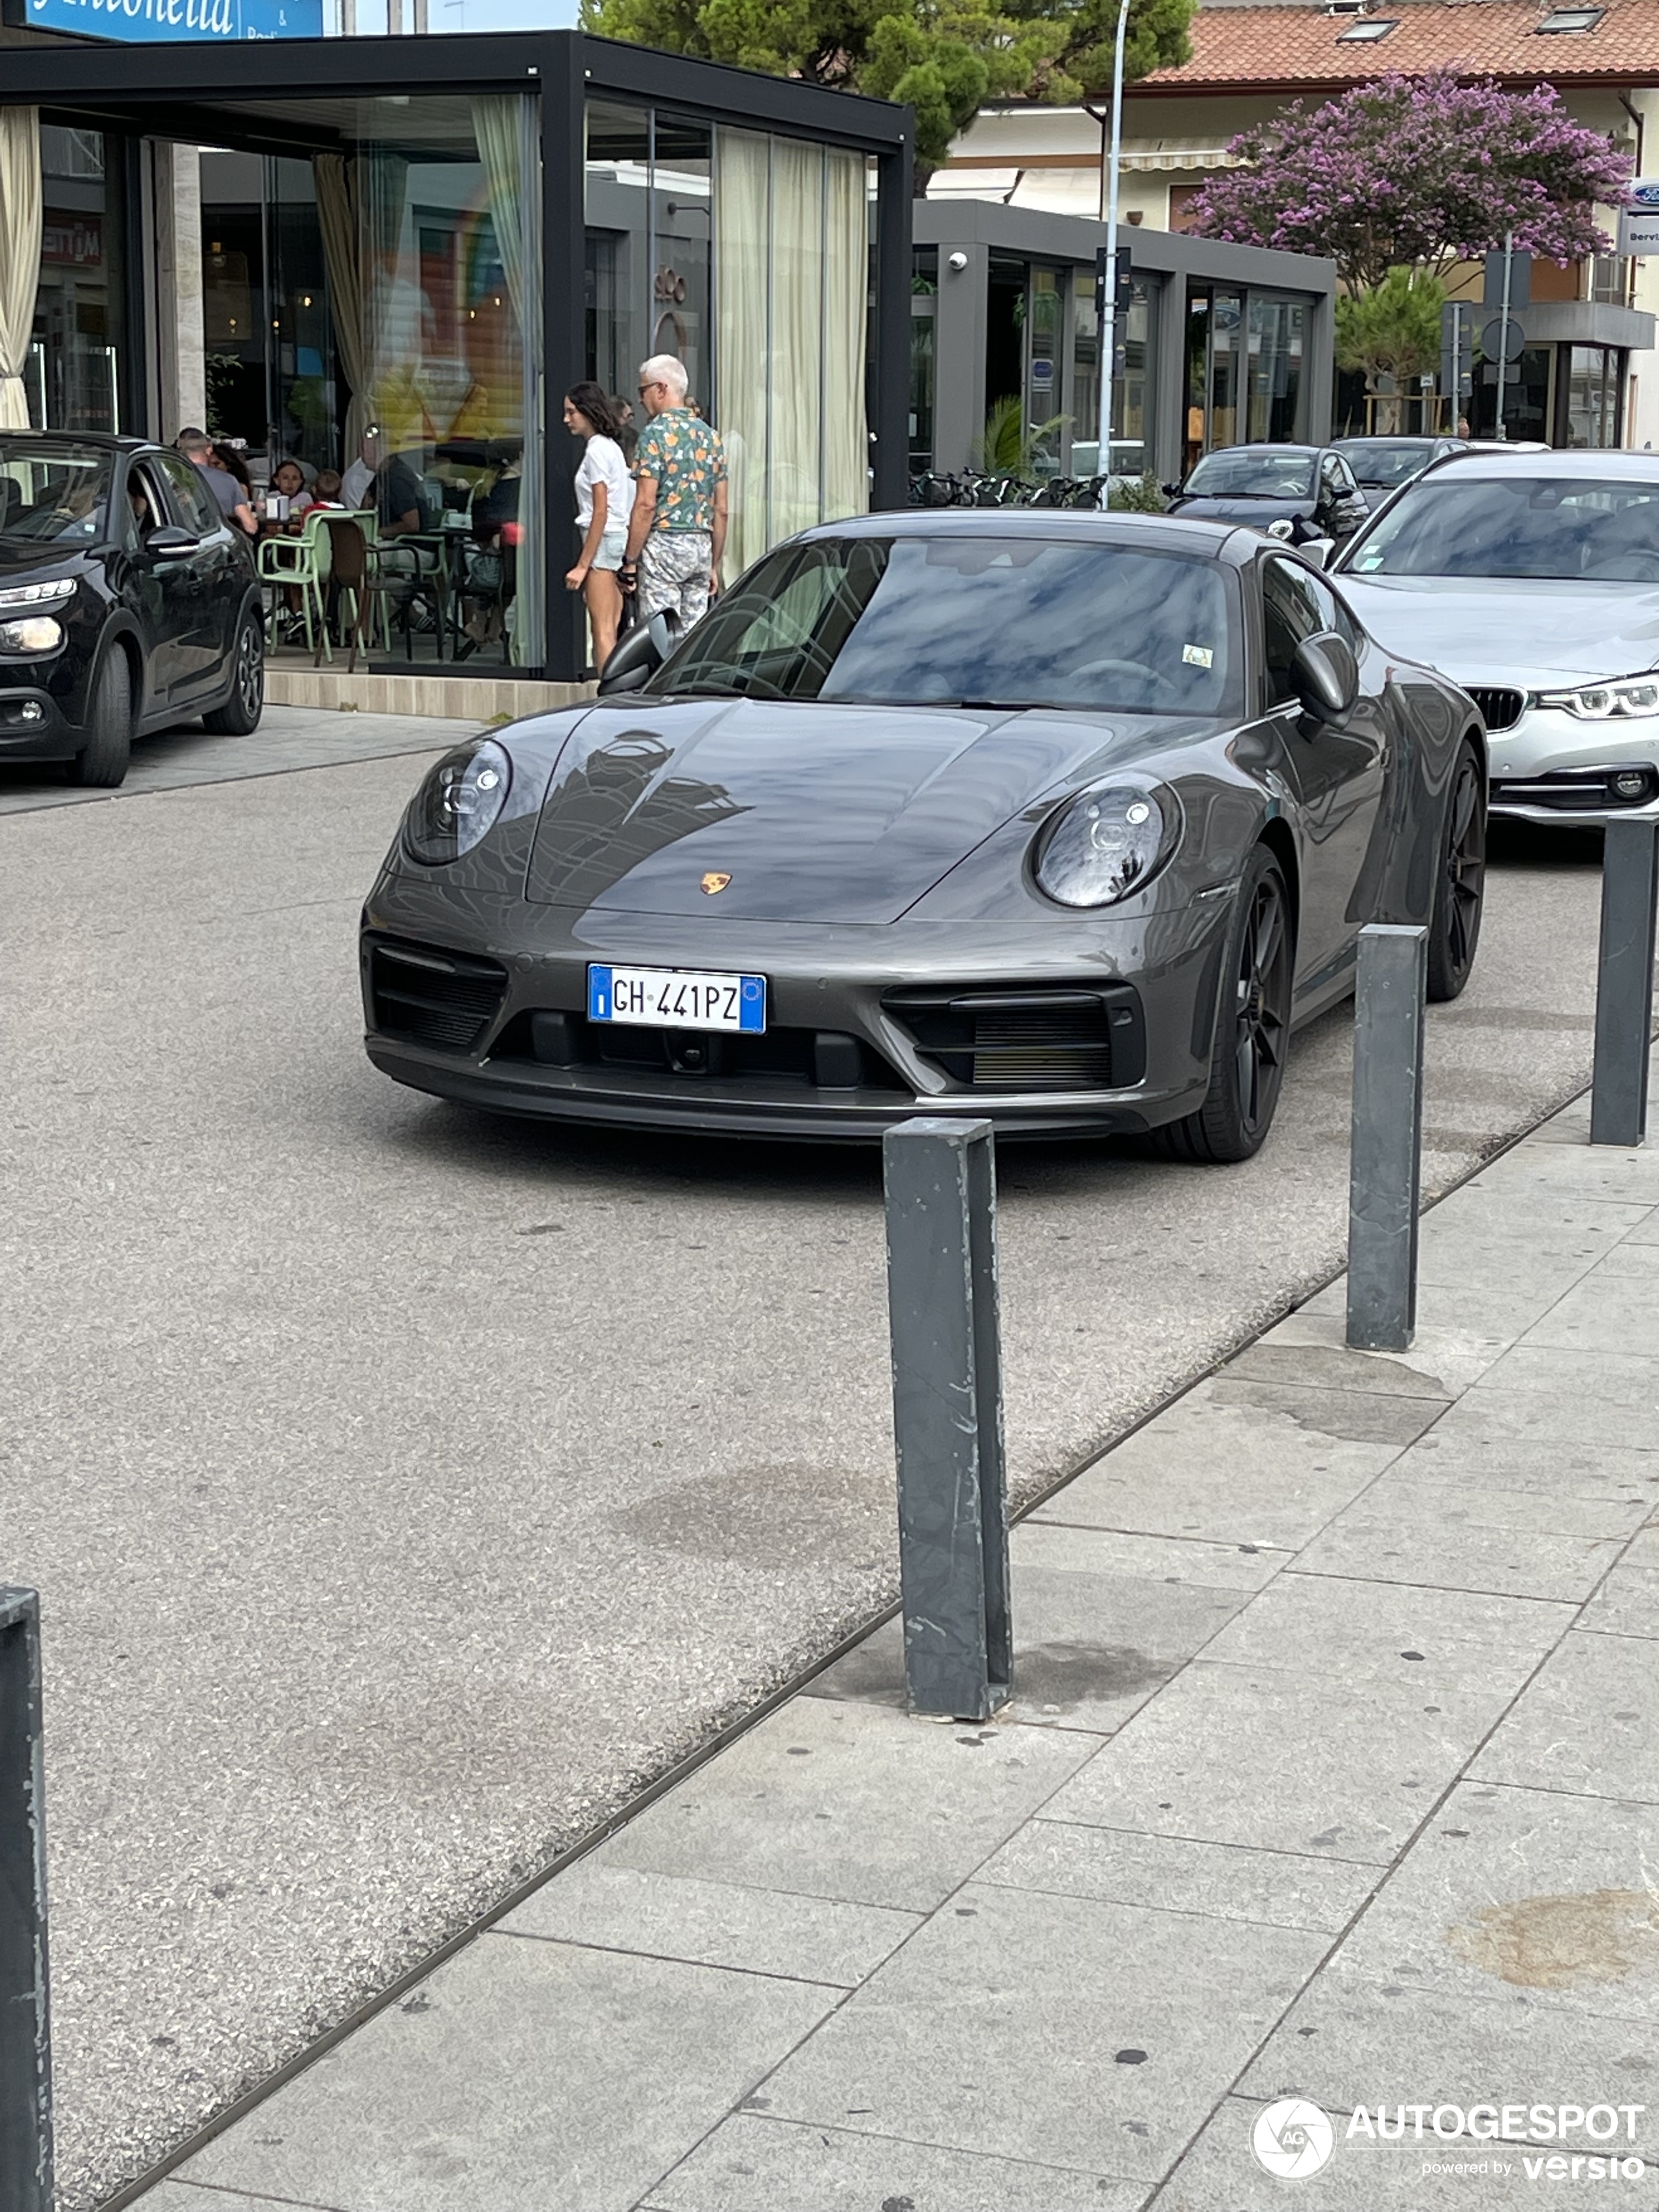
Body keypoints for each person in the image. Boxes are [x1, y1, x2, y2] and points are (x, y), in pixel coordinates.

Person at [622, 353, 728, 629]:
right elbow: (722, 508)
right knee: (692, 640)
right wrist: (713, 564)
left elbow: (646, 504)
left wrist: (630, 561)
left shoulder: (654, 434)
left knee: (661, 636)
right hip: (701, 546)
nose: (641, 399)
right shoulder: (711, 437)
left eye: (643, 390)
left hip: (664, 546)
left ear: (661, 388)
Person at [561, 386, 633, 672]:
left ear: (588, 412)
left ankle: (608, 697)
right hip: (615, 538)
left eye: (572, 412)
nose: (567, 420)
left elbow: (599, 511)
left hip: (602, 540)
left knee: (602, 629)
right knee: (611, 626)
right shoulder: (611, 448)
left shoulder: (597, 452)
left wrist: (582, 565)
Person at [178, 429, 257, 537]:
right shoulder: (229, 481)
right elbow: (251, 527)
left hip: (183, 542)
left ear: (181, 451)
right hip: (220, 544)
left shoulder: (172, 479)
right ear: (209, 449)